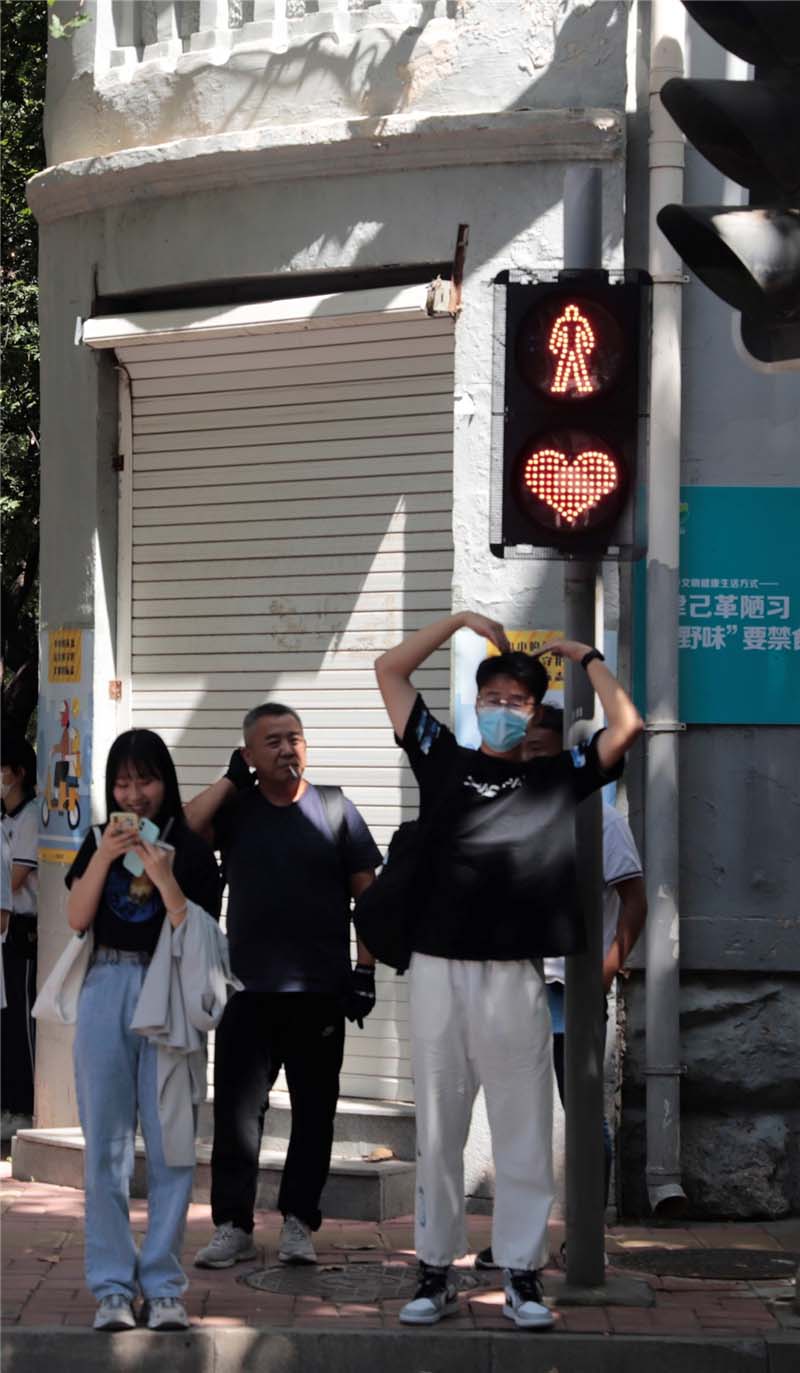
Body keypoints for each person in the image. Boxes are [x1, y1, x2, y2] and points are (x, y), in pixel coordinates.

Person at [374, 612, 643, 1329]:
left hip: (515, 976)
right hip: (436, 968)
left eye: (514, 702)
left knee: (524, 1127)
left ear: (533, 714)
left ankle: (522, 1276)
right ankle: (434, 1271)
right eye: (489, 698)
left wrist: (585, 656)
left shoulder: (559, 777)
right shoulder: (442, 758)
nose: (499, 711)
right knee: (439, 1125)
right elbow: (388, 671)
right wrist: (458, 622)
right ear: (475, 703)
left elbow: (628, 727)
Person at [187, 702, 382, 1270]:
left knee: (314, 1111)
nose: (286, 749)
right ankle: (232, 1226)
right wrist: (227, 782)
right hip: (247, 993)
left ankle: (299, 1223)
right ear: (250, 755)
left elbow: (367, 896)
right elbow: (180, 830)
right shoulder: (238, 812)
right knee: (238, 1117)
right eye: (270, 742)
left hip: (320, 991)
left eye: (293, 738)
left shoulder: (335, 809)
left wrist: (366, 971)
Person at [475, 704, 647, 1270]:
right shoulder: (507, 813)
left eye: (544, 753)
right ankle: (516, 1238)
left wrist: (601, 973)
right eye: (526, 754)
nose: (534, 763)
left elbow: (634, 904)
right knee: (515, 1113)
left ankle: (586, 1235)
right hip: (513, 985)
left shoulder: (600, 819)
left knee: (583, 1111)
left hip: (571, 992)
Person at [65, 729, 223, 1332]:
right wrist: (105, 855)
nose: (134, 795)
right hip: (107, 986)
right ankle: (110, 1286)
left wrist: (165, 878)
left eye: (145, 780)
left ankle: (161, 1286)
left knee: (171, 1145)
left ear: (167, 782)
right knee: (104, 1147)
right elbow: (78, 919)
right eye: (123, 783)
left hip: (172, 995)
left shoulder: (193, 847)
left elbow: (199, 932)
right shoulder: (96, 841)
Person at [1, 732, 39, 1137]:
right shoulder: (5, 819)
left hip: (24, 931)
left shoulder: (32, 817)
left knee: (22, 1024)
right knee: (6, 1023)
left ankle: (26, 1108)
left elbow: (11, 880)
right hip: (5, 931)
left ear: (19, 773)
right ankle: (8, 1105)